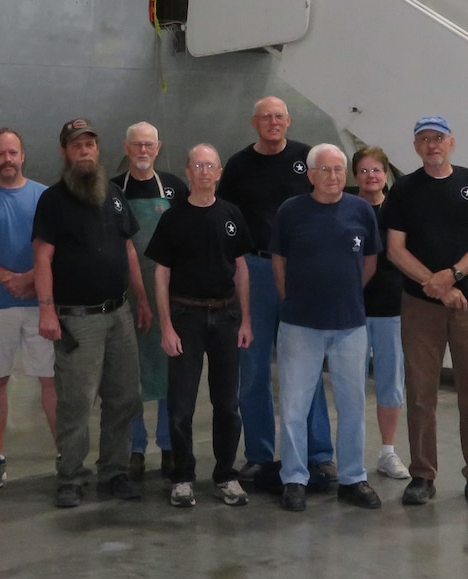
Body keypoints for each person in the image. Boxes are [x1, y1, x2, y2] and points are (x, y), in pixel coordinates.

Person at [383, 116, 468, 509]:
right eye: (423, 139)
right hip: (420, 307)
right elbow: (395, 250)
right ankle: (422, 474)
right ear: (416, 147)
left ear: (451, 142)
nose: (431, 145)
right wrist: (435, 288)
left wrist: (452, 277)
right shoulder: (404, 190)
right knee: (421, 392)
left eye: (438, 138)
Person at [34, 118, 152, 508]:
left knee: (123, 398)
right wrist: (47, 312)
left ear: (98, 150)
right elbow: (43, 259)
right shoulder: (52, 200)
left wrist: (142, 299)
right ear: (65, 153)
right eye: (76, 145)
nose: (84, 151)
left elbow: (129, 250)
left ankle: (114, 471)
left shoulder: (114, 195)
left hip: (119, 314)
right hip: (77, 320)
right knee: (76, 402)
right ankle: (70, 476)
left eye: (89, 144)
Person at [218, 96, 333, 495]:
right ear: (254, 123)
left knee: (307, 365)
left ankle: (319, 453)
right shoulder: (237, 166)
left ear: (288, 121)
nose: (272, 122)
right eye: (265, 117)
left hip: (301, 270)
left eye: (278, 117)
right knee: (253, 367)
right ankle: (260, 454)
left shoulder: (308, 159)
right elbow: (226, 219)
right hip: (256, 270)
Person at [270, 144, 381, 512]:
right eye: (326, 170)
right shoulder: (290, 211)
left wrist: (344, 295)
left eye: (339, 169)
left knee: (352, 406)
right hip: (300, 325)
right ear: (311, 174)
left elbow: (368, 263)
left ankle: (352, 478)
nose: (334, 177)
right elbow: (280, 264)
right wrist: (297, 302)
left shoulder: (362, 211)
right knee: (294, 406)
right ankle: (295, 478)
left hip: (350, 325)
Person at [146, 144, 254, 509]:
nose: (204, 171)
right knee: (181, 406)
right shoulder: (173, 219)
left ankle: (225, 474)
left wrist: (245, 320)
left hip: (225, 318)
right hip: (186, 318)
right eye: (197, 165)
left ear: (219, 172)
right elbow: (161, 276)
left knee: (227, 404)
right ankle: (183, 477)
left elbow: (241, 269)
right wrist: (166, 327)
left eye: (210, 165)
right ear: (188, 172)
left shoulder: (231, 214)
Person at [0, 128, 54, 491]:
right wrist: (8, 279)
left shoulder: (45, 197)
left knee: (50, 379)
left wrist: (32, 279)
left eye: (13, 153)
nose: (8, 159)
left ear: (23, 156)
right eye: (0, 154)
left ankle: (66, 454)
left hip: (40, 305)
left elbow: (57, 248)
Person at [114, 122, 184, 484]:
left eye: (149, 145)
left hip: (169, 295)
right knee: (131, 375)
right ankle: (135, 448)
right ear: (127, 148)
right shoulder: (113, 189)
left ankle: (169, 445)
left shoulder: (173, 187)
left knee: (169, 369)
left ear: (158, 148)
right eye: (137, 145)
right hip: (126, 296)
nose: (143, 151)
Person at [353, 146, 411, 481]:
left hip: (392, 310)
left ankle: (388, 452)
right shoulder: (347, 210)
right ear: (355, 175)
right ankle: (351, 455)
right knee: (351, 385)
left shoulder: (399, 211)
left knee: (391, 383)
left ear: (386, 174)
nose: (371, 177)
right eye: (364, 171)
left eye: (377, 170)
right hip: (354, 312)